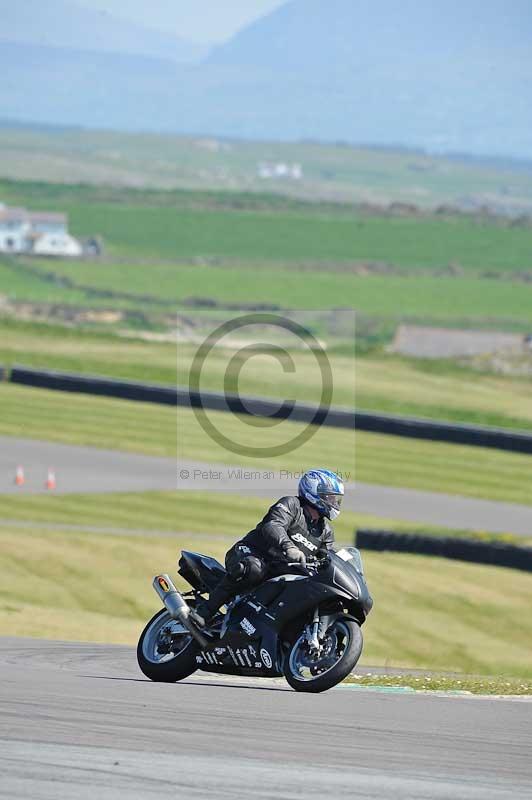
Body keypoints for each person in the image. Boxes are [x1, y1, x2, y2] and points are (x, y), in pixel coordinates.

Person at [192, 468, 344, 626]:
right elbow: (273, 525)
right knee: (253, 568)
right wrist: (289, 547)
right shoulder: (292, 504)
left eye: (336, 499)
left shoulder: (326, 532)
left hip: (281, 573)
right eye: (330, 497)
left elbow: (326, 558)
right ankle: (205, 611)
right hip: (252, 553)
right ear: (314, 491)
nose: (334, 503)